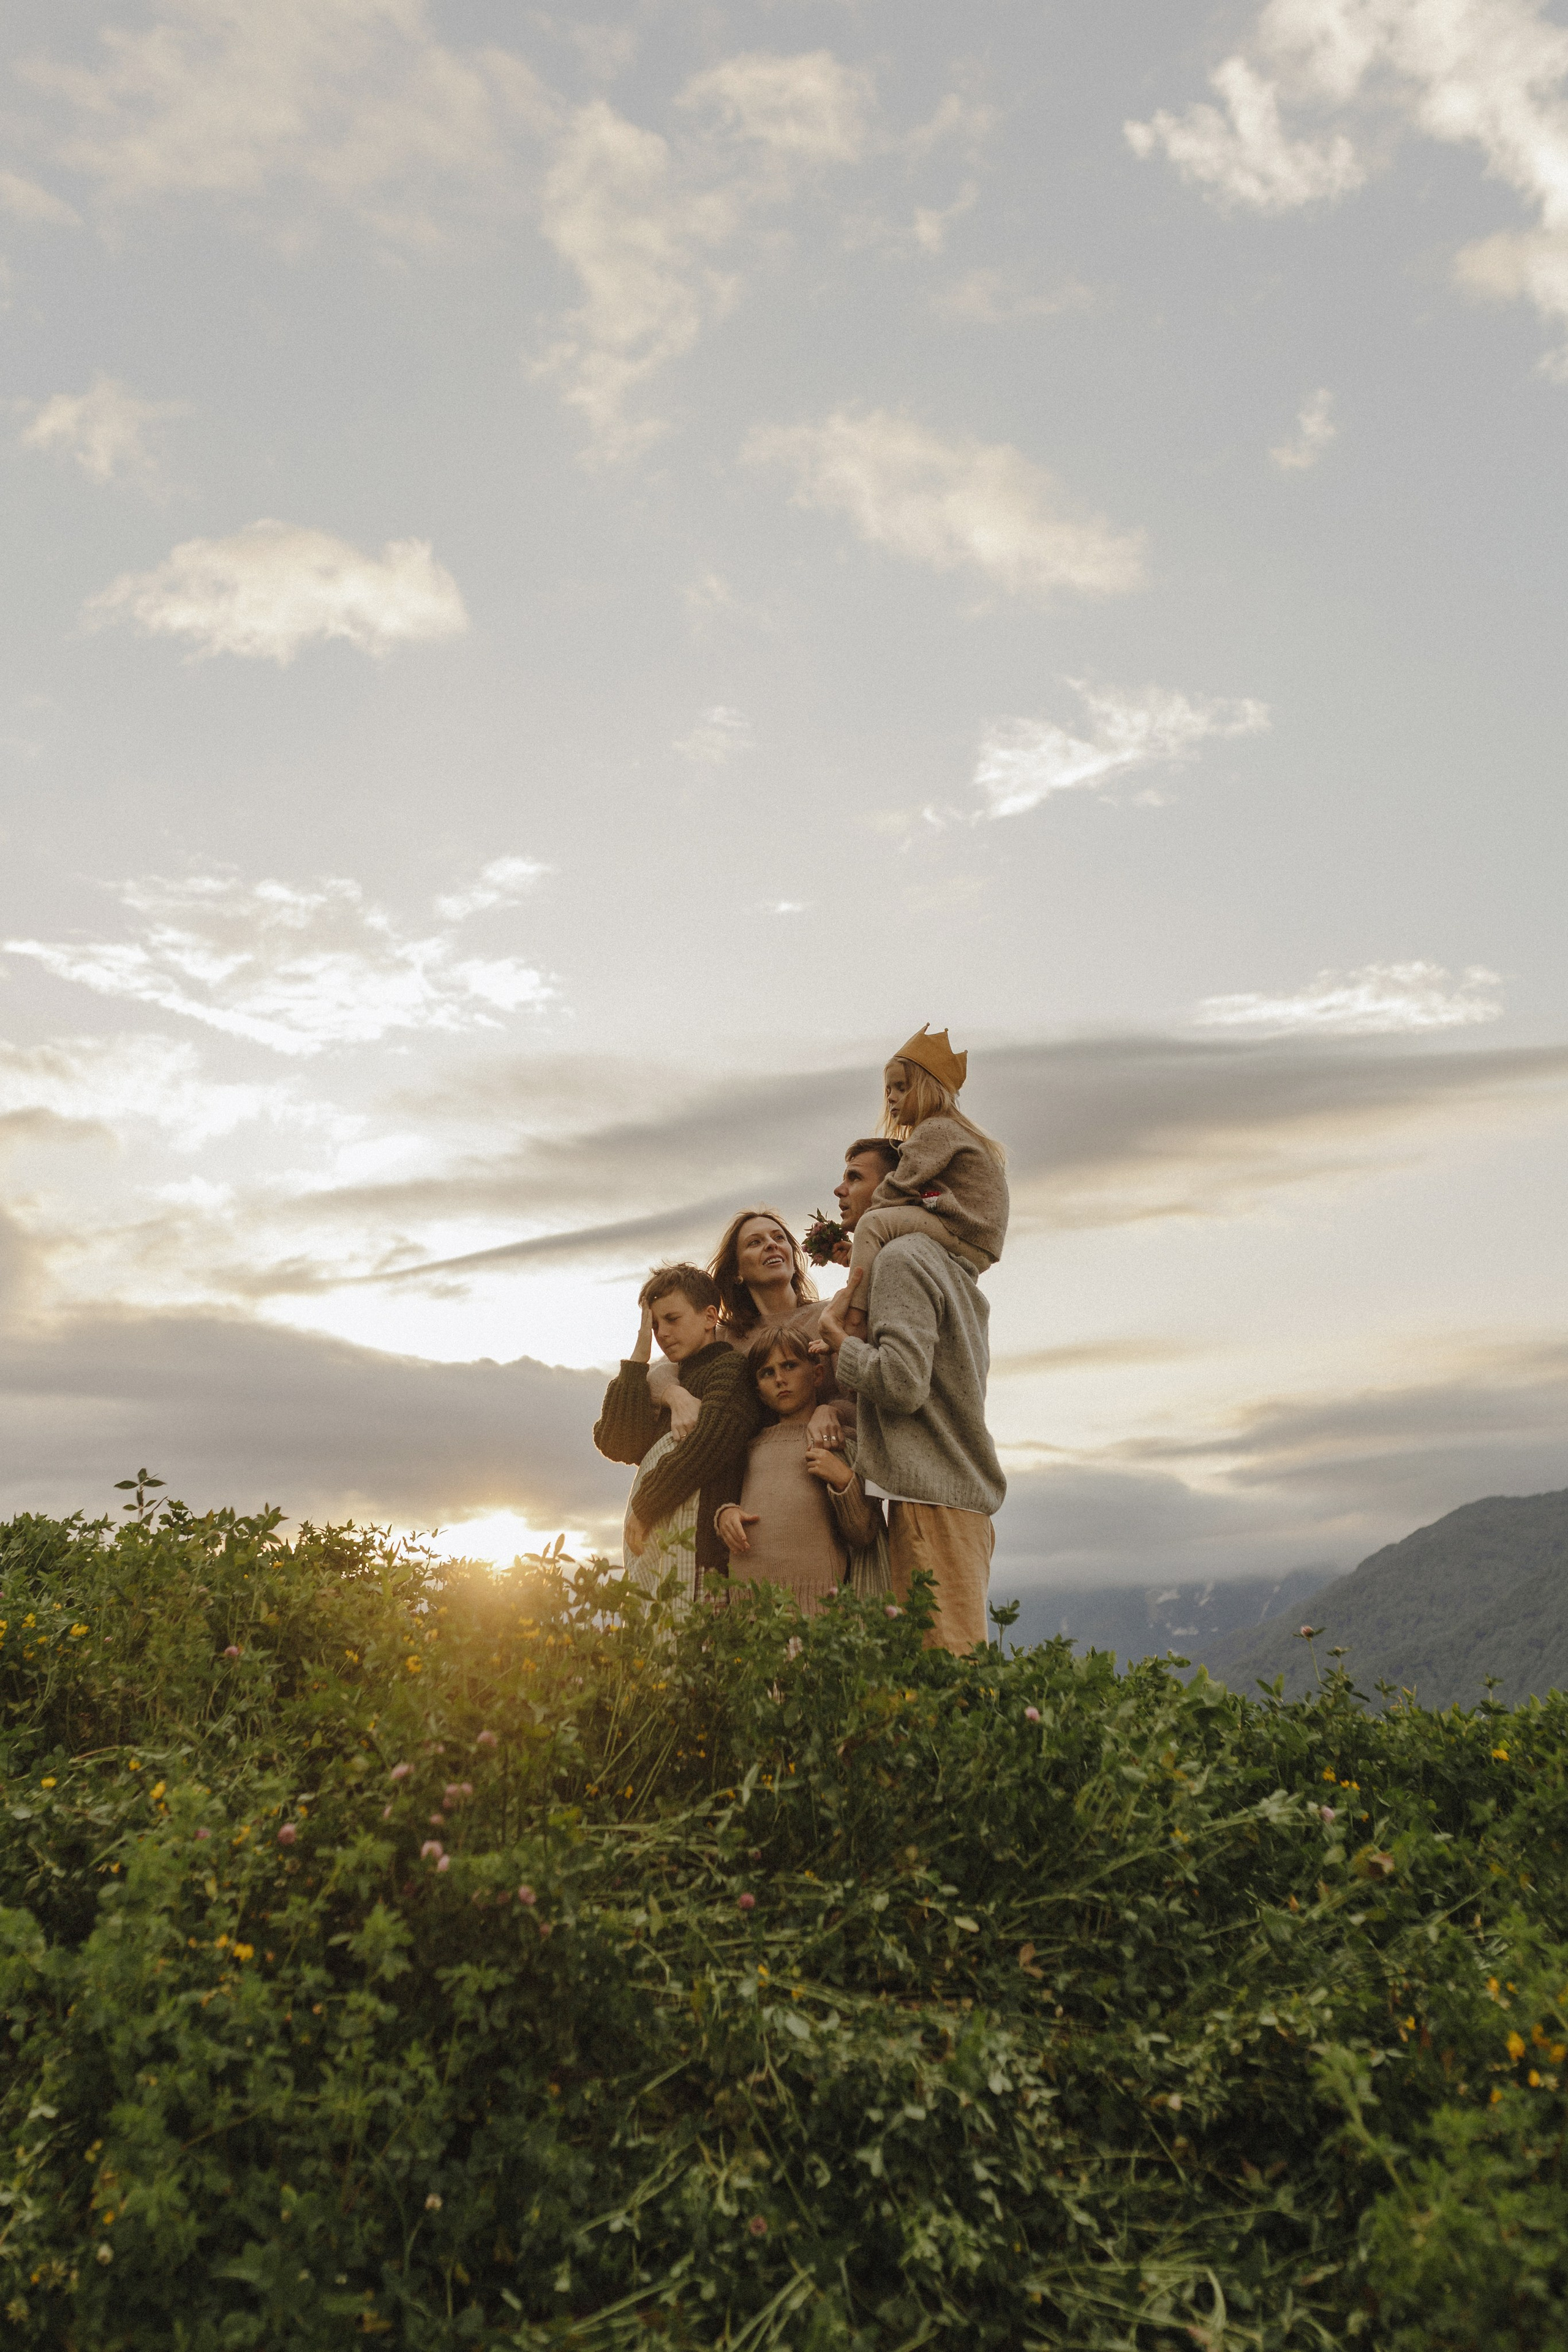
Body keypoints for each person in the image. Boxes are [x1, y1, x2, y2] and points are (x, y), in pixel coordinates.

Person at [818, 1131, 1006, 1656]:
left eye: (854, 1177)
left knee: (944, 1674)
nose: (839, 1190)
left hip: (933, 1501)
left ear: (896, 1189)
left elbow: (902, 1385)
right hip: (949, 1497)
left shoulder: (903, 1259)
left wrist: (841, 1346)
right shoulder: (941, 1262)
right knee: (951, 1669)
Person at [593, 1264, 763, 1603]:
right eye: (655, 1325)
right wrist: (639, 1358)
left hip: (702, 1553)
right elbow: (616, 1442)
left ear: (709, 1317)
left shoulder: (729, 1368)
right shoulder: (667, 1379)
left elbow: (709, 1445)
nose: (663, 1334)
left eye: (672, 1319)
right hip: (657, 1553)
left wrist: (646, 1504)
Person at [831, 1027, 1008, 1343]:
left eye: (901, 1088)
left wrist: (864, 1229)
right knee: (881, 1227)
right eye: (888, 1090)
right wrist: (862, 1250)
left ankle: (854, 1322)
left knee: (873, 1222)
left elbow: (898, 1188)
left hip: (963, 1229)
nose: (891, 1098)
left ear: (928, 1090)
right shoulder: (952, 1131)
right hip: (976, 1239)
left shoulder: (935, 1130)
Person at [715, 1325, 881, 1616]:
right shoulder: (748, 1447)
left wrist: (844, 1480)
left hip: (818, 1610)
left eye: (790, 1366)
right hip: (749, 1611)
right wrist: (726, 1515)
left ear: (817, 1375)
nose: (780, 1379)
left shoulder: (840, 1441)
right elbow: (726, 1501)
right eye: (767, 1373)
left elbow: (864, 1534)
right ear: (758, 1391)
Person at [648, 1208, 827, 1439]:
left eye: (779, 1237)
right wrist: (675, 1396)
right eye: (755, 1242)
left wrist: (829, 1411)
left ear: (793, 1259)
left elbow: (857, 1396)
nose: (771, 1244)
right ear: (737, 1272)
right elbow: (658, 1372)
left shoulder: (828, 1316)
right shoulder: (726, 1337)